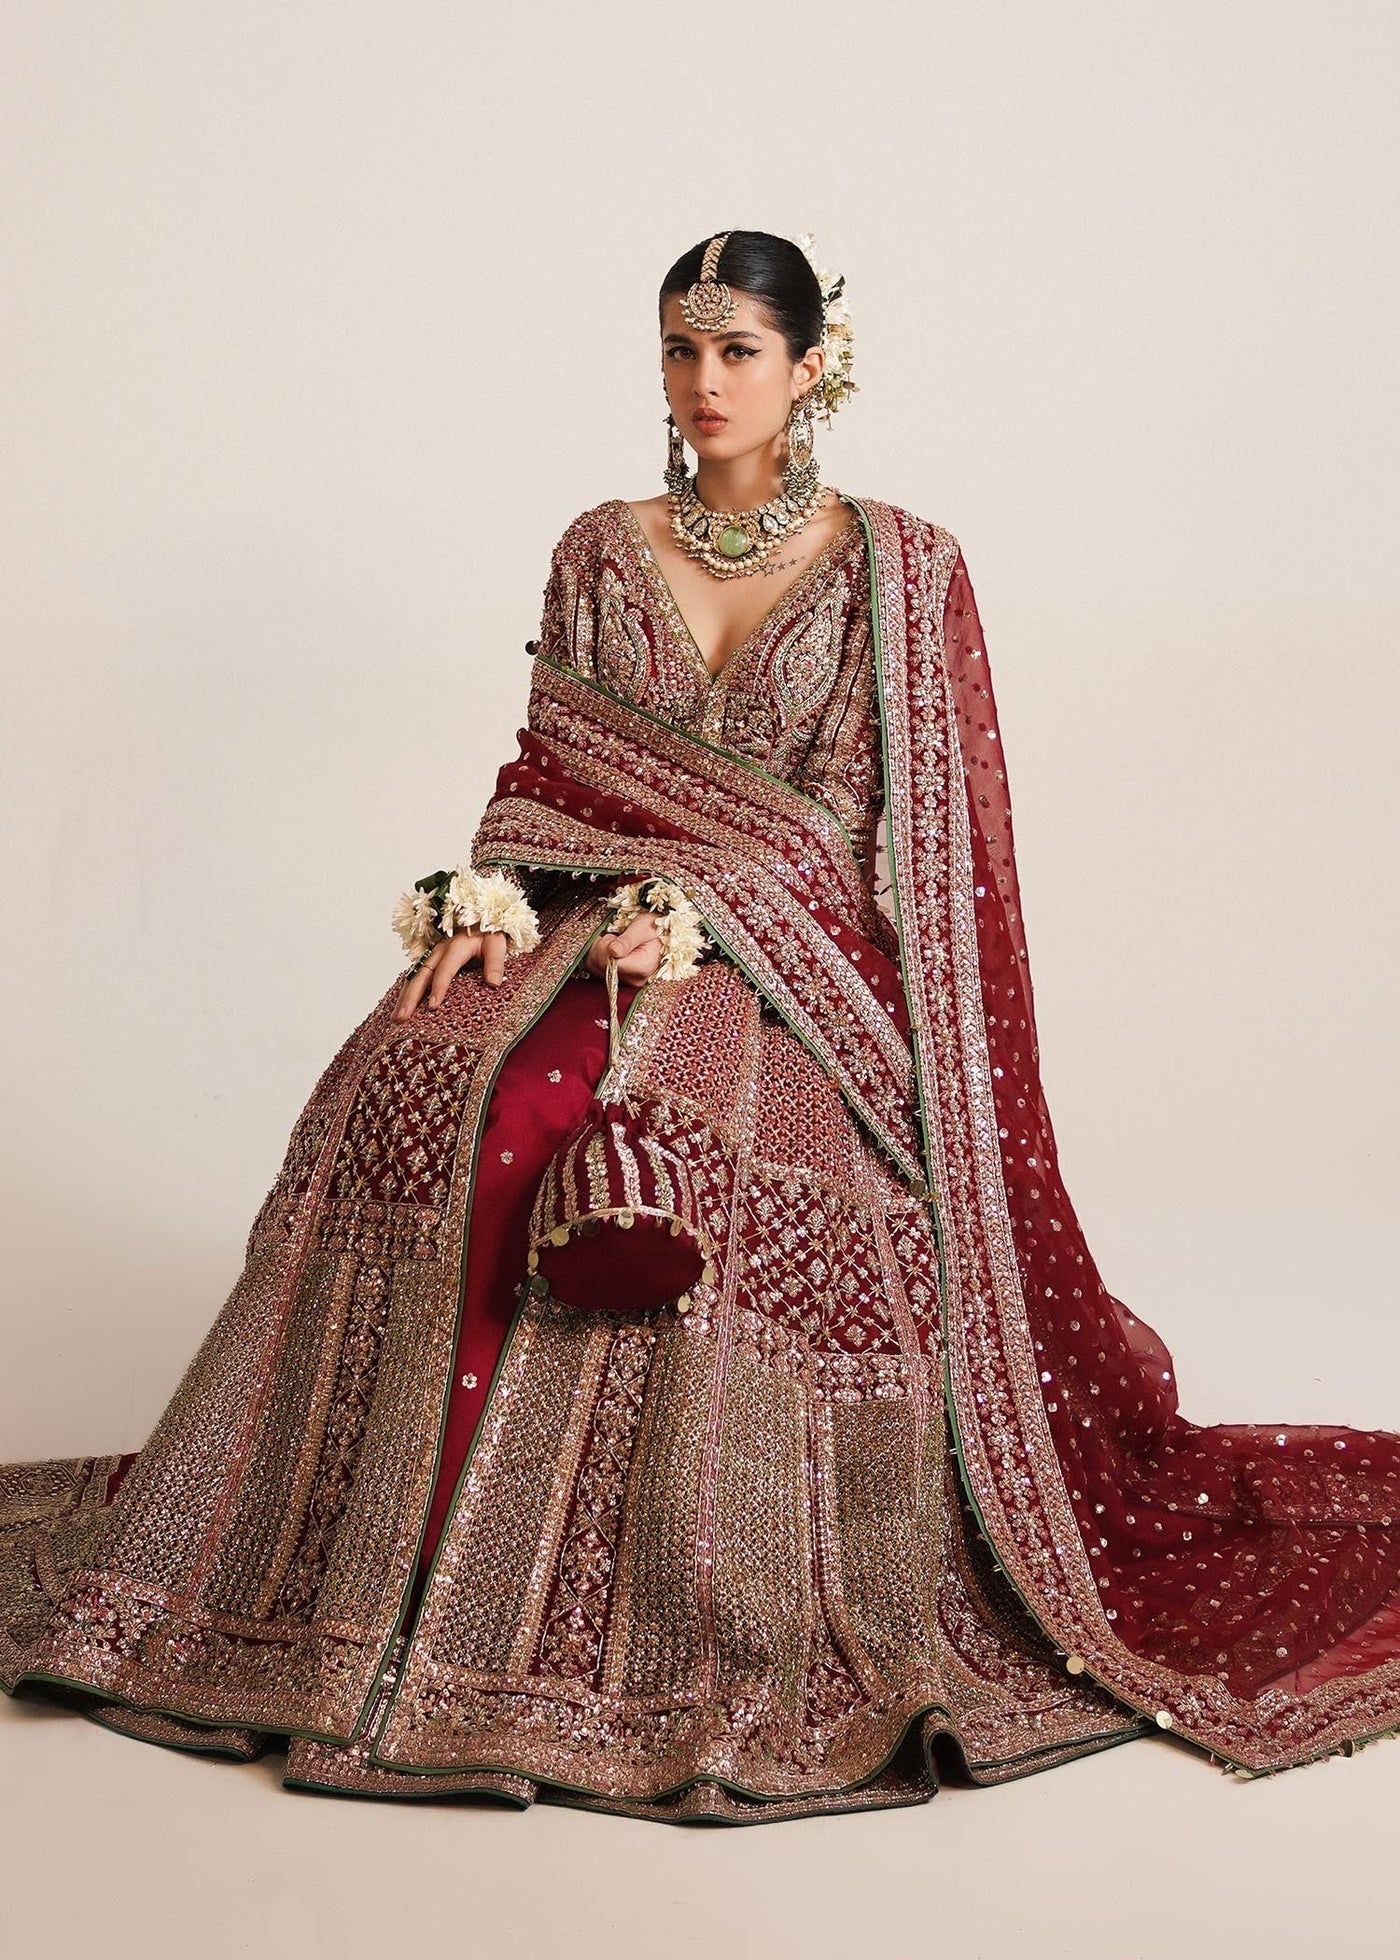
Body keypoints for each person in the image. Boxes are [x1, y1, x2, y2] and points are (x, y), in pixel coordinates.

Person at [4, 229, 1400, 1828]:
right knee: (416, 1072)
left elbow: (883, 830)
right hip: (592, 914)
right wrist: (488, 898)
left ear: (813, 367)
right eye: (681, 349)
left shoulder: (902, 568)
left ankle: (600, 1620)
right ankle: (320, 1580)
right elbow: (550, 771)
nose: (706, 382)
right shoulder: (601, 551)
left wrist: (713, 910)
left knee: (652, 1118)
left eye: (739, 351)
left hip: (797, 959)